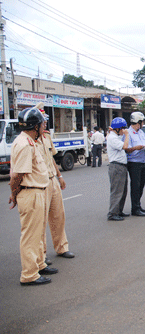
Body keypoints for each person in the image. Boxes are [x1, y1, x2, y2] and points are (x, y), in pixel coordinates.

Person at [9, 107, 58, 286]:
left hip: (38, 191)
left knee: (37, 234)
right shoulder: (24, 144)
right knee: (30, 236)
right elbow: (16, 176)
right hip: (30, 192)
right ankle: (29, 274)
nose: (45, 125)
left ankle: (39, 264)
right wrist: (14, 195)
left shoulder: (31, 141)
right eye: (42, 123)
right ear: (35, 126)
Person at [38, 109, 74, 264]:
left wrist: (60, 176)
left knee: (58, 216)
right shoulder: (30, 140)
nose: (46, 123)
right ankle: (41, 254)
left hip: (52, 179)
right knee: (40, 221)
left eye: (46, 120)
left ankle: (62, 247)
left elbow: (51, 158)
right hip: (40, 182)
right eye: (43, 120)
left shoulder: (46, 136)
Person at [125, 112, 145, 216]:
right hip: (134, 163)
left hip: (143, 162)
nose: (143, 123)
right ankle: (134, 209)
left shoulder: (141, 132)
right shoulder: (128, 133)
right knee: (135, 186)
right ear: (138, 122)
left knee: (141, 186)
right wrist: (136, 147)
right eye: (142, 121)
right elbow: (126, 149)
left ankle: (138, 205)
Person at [107, 117, 130, 221]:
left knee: (123, 190)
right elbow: (125, 146)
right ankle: (112, 213)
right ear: (117, 129)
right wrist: (127, 135)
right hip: (116, 166)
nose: (123, 130)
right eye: (122, 129)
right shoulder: (112, 138)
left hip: (121, 166)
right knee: (117, 191)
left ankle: (119, 210)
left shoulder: (115, 136)